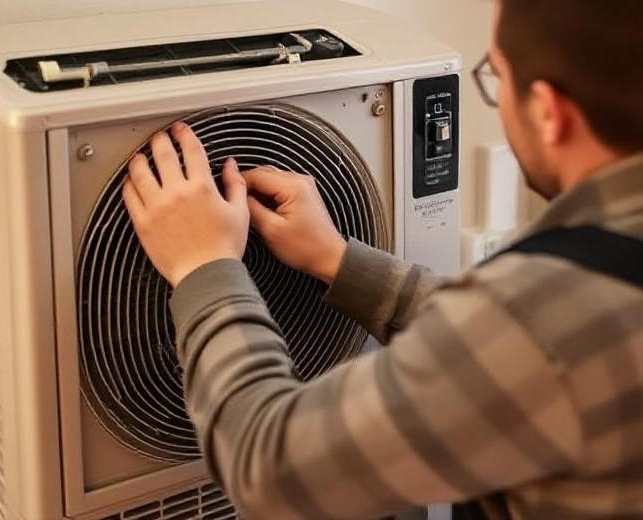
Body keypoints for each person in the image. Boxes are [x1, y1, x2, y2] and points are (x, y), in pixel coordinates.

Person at [122, 0, 643, 518]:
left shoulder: (540, 323)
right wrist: (338, 259)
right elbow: (532, 352)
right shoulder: (570, 312)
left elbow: (270, 468)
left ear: (550, 113)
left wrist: (205, 264)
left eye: (497, 76)